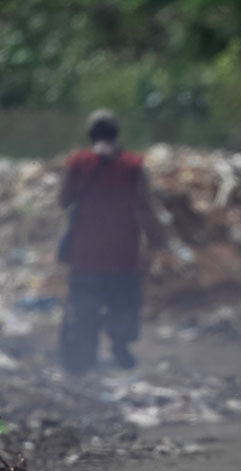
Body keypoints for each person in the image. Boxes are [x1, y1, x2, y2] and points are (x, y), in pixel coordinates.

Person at [58, 109, 166, 374]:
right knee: (123, 304)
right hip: (122, 253)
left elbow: (64, 200)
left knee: (84, 308)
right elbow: (145, 206)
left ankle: (85, 360)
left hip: (85, 254)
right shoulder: (133, 165)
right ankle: (119, 344)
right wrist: (157, 240)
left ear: (90, 134)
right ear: (116, 134)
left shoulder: (77, 162)